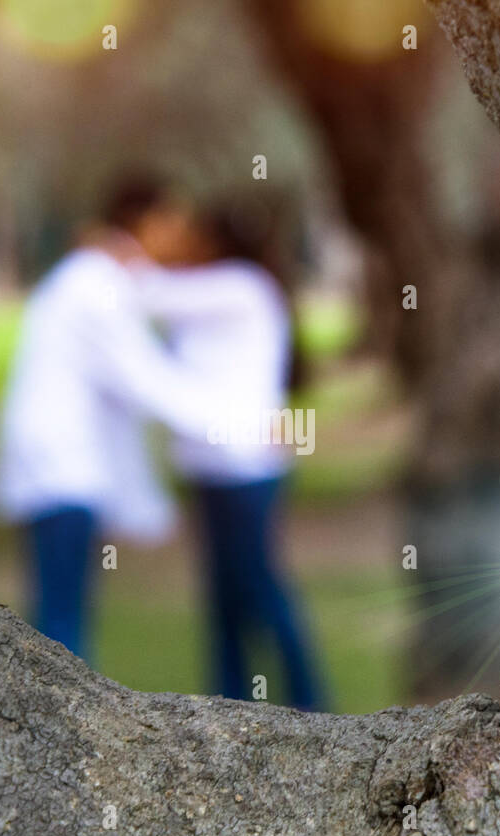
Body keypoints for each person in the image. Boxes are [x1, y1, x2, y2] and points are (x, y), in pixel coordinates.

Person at [0, 176, 213, 662]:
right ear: (147, 222)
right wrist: (242, 425)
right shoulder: (97, 286)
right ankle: (62, 731)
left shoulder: (91, 275)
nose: (180, 235)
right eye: (174, 222)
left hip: (60, 464)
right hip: (60, 468)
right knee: (61, 629)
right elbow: (146, 380)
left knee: (60, 612)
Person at [137, 199, 325, 710]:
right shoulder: (221, 292)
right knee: (223, 597)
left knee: (261, 588)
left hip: (245, 467)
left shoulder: (239, 286)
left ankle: (310, 702)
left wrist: (126, 248)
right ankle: (229, 703)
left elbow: (149, 294)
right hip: (213, 468)